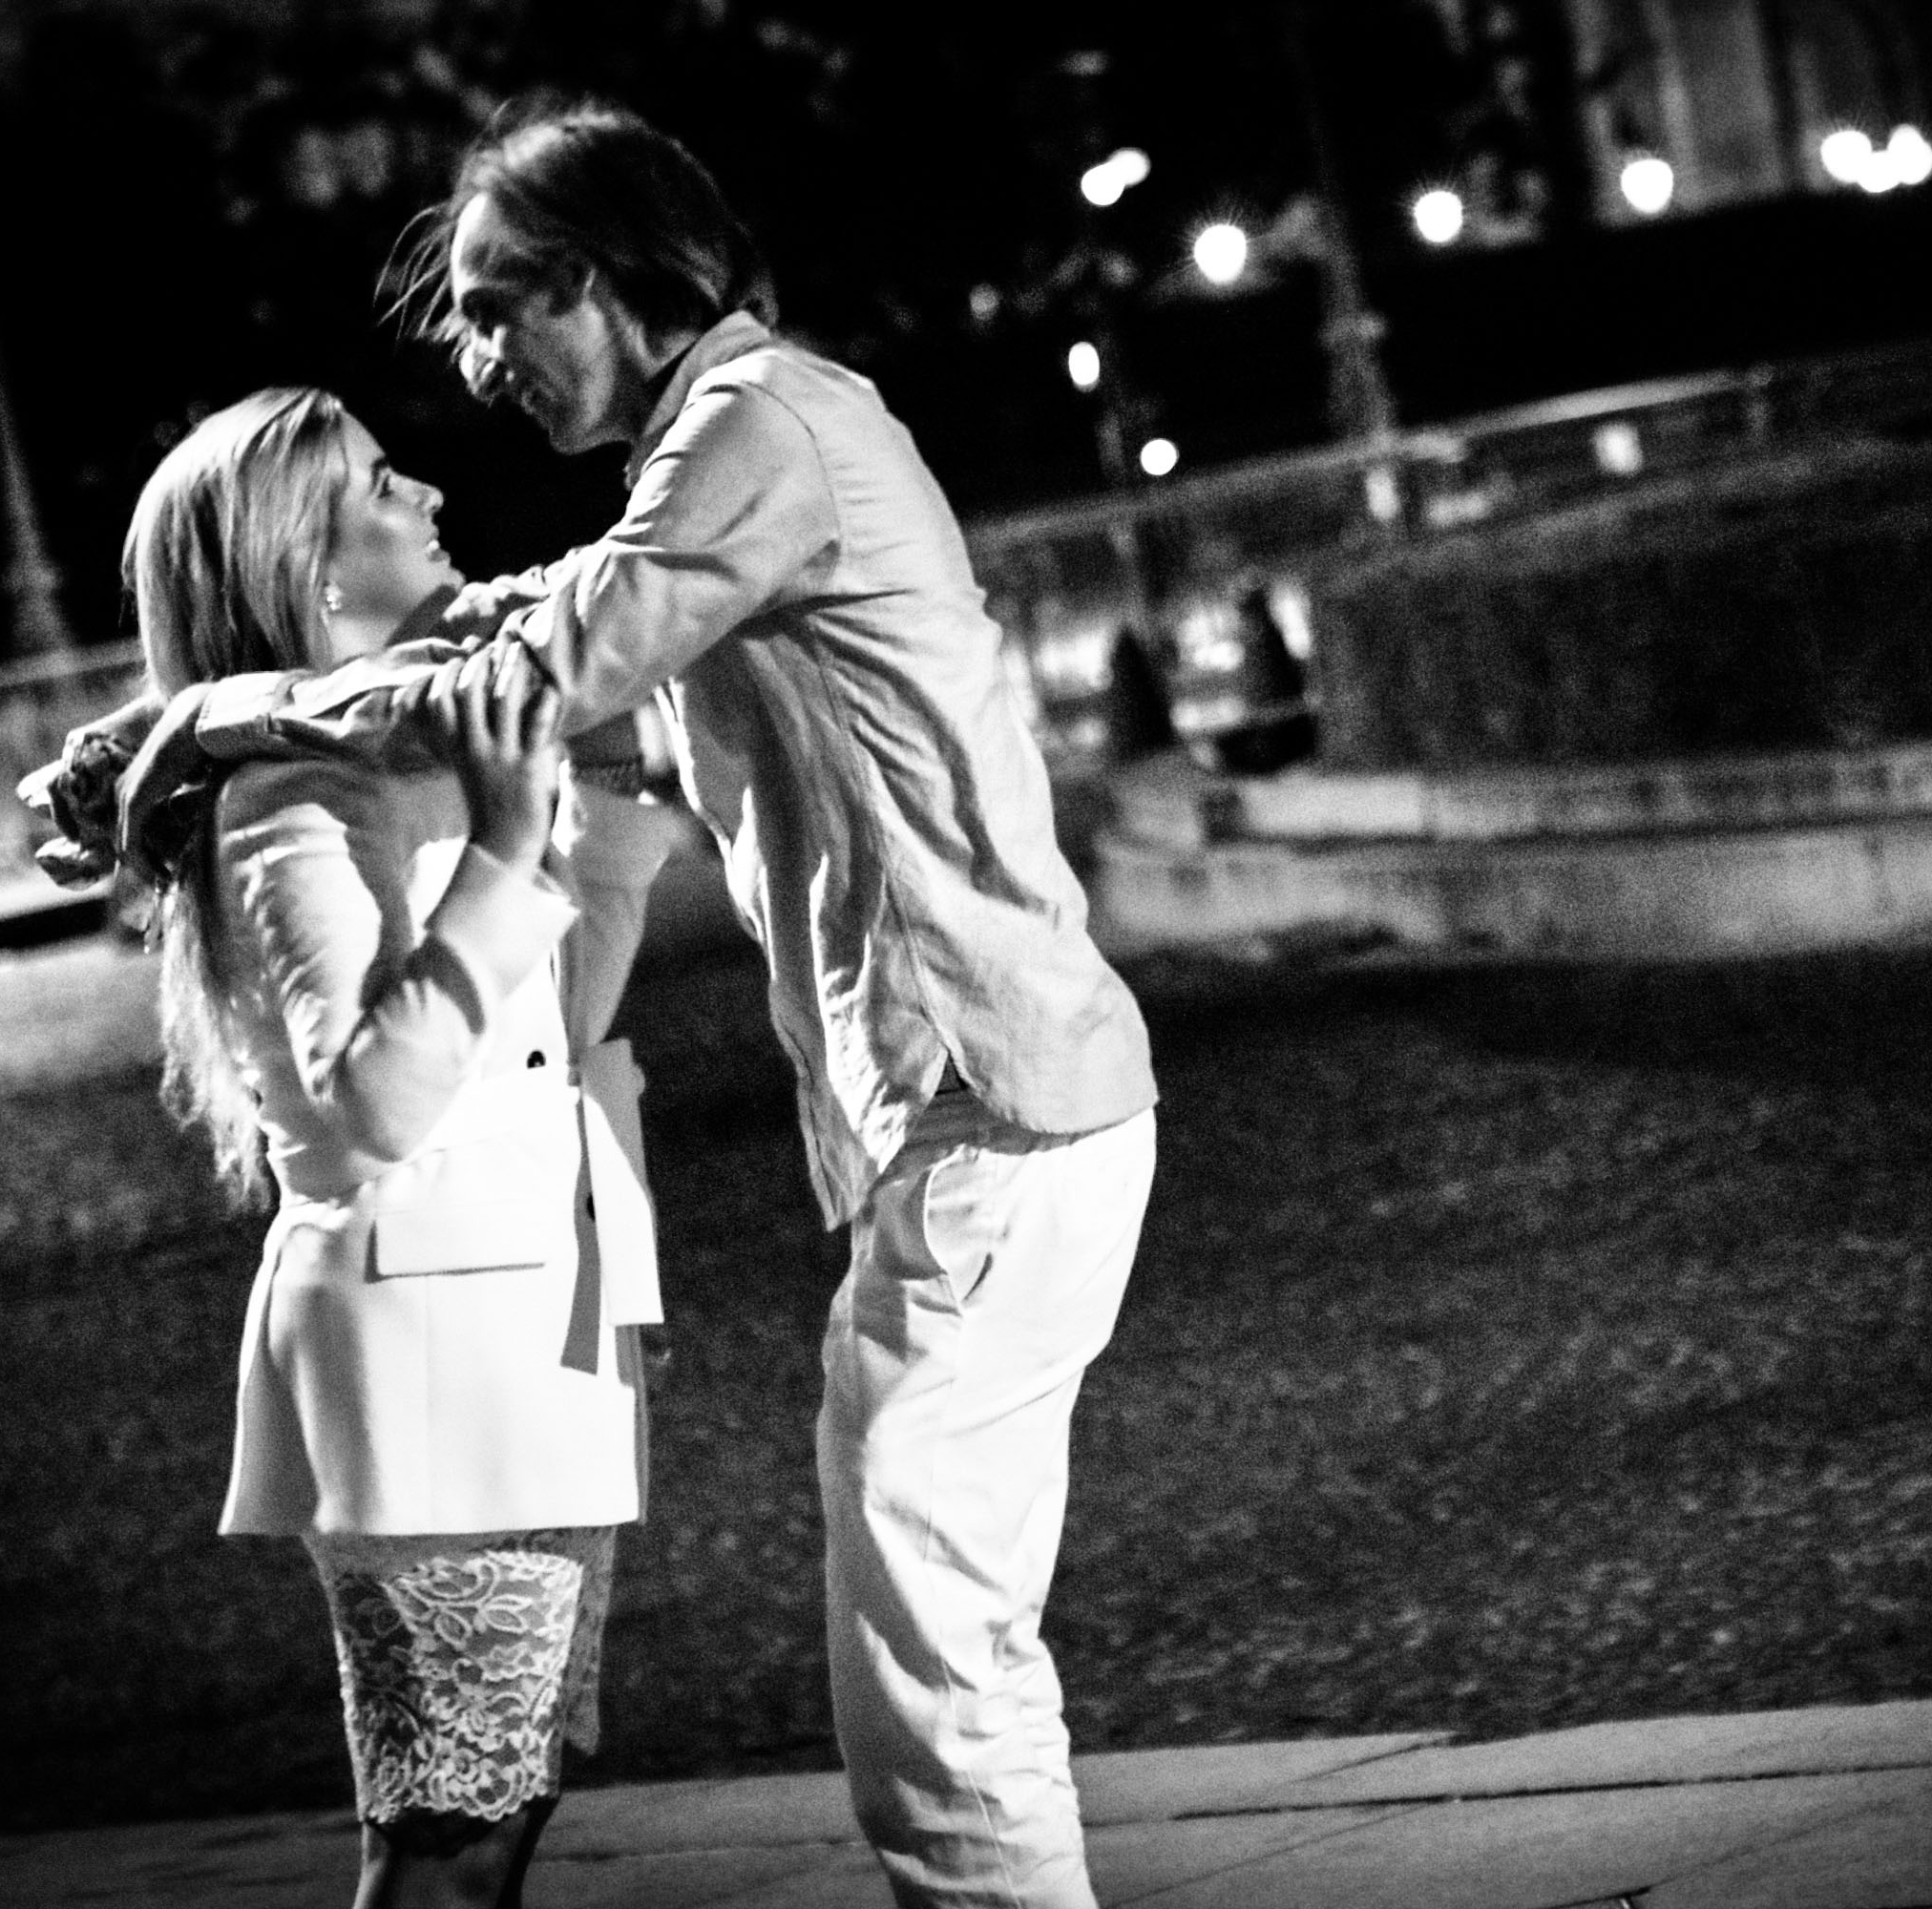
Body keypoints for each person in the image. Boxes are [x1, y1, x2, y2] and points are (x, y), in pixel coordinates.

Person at [96, 99, 1158, 1909]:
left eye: (495, 309)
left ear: (597, 281)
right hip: (957, 1115)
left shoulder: (759, 432)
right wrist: (228, 728)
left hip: (992, 1103)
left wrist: (210, 717)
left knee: (933, 1684)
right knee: (899, 1670)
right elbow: (532, 642)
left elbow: (536, 670)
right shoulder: (727, 457)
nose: (475, 367)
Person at [101, 387, 674, 1909]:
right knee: (449, 1842)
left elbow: (551, 1031)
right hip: (427, 1338)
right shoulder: (291, 790)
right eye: (375, 483)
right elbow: (374, 1101)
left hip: (525, 1318)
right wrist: (506, 844)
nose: (426, 490)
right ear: (303, 562)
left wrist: (595, 811)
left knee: (496, 1814)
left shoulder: (405, 754)